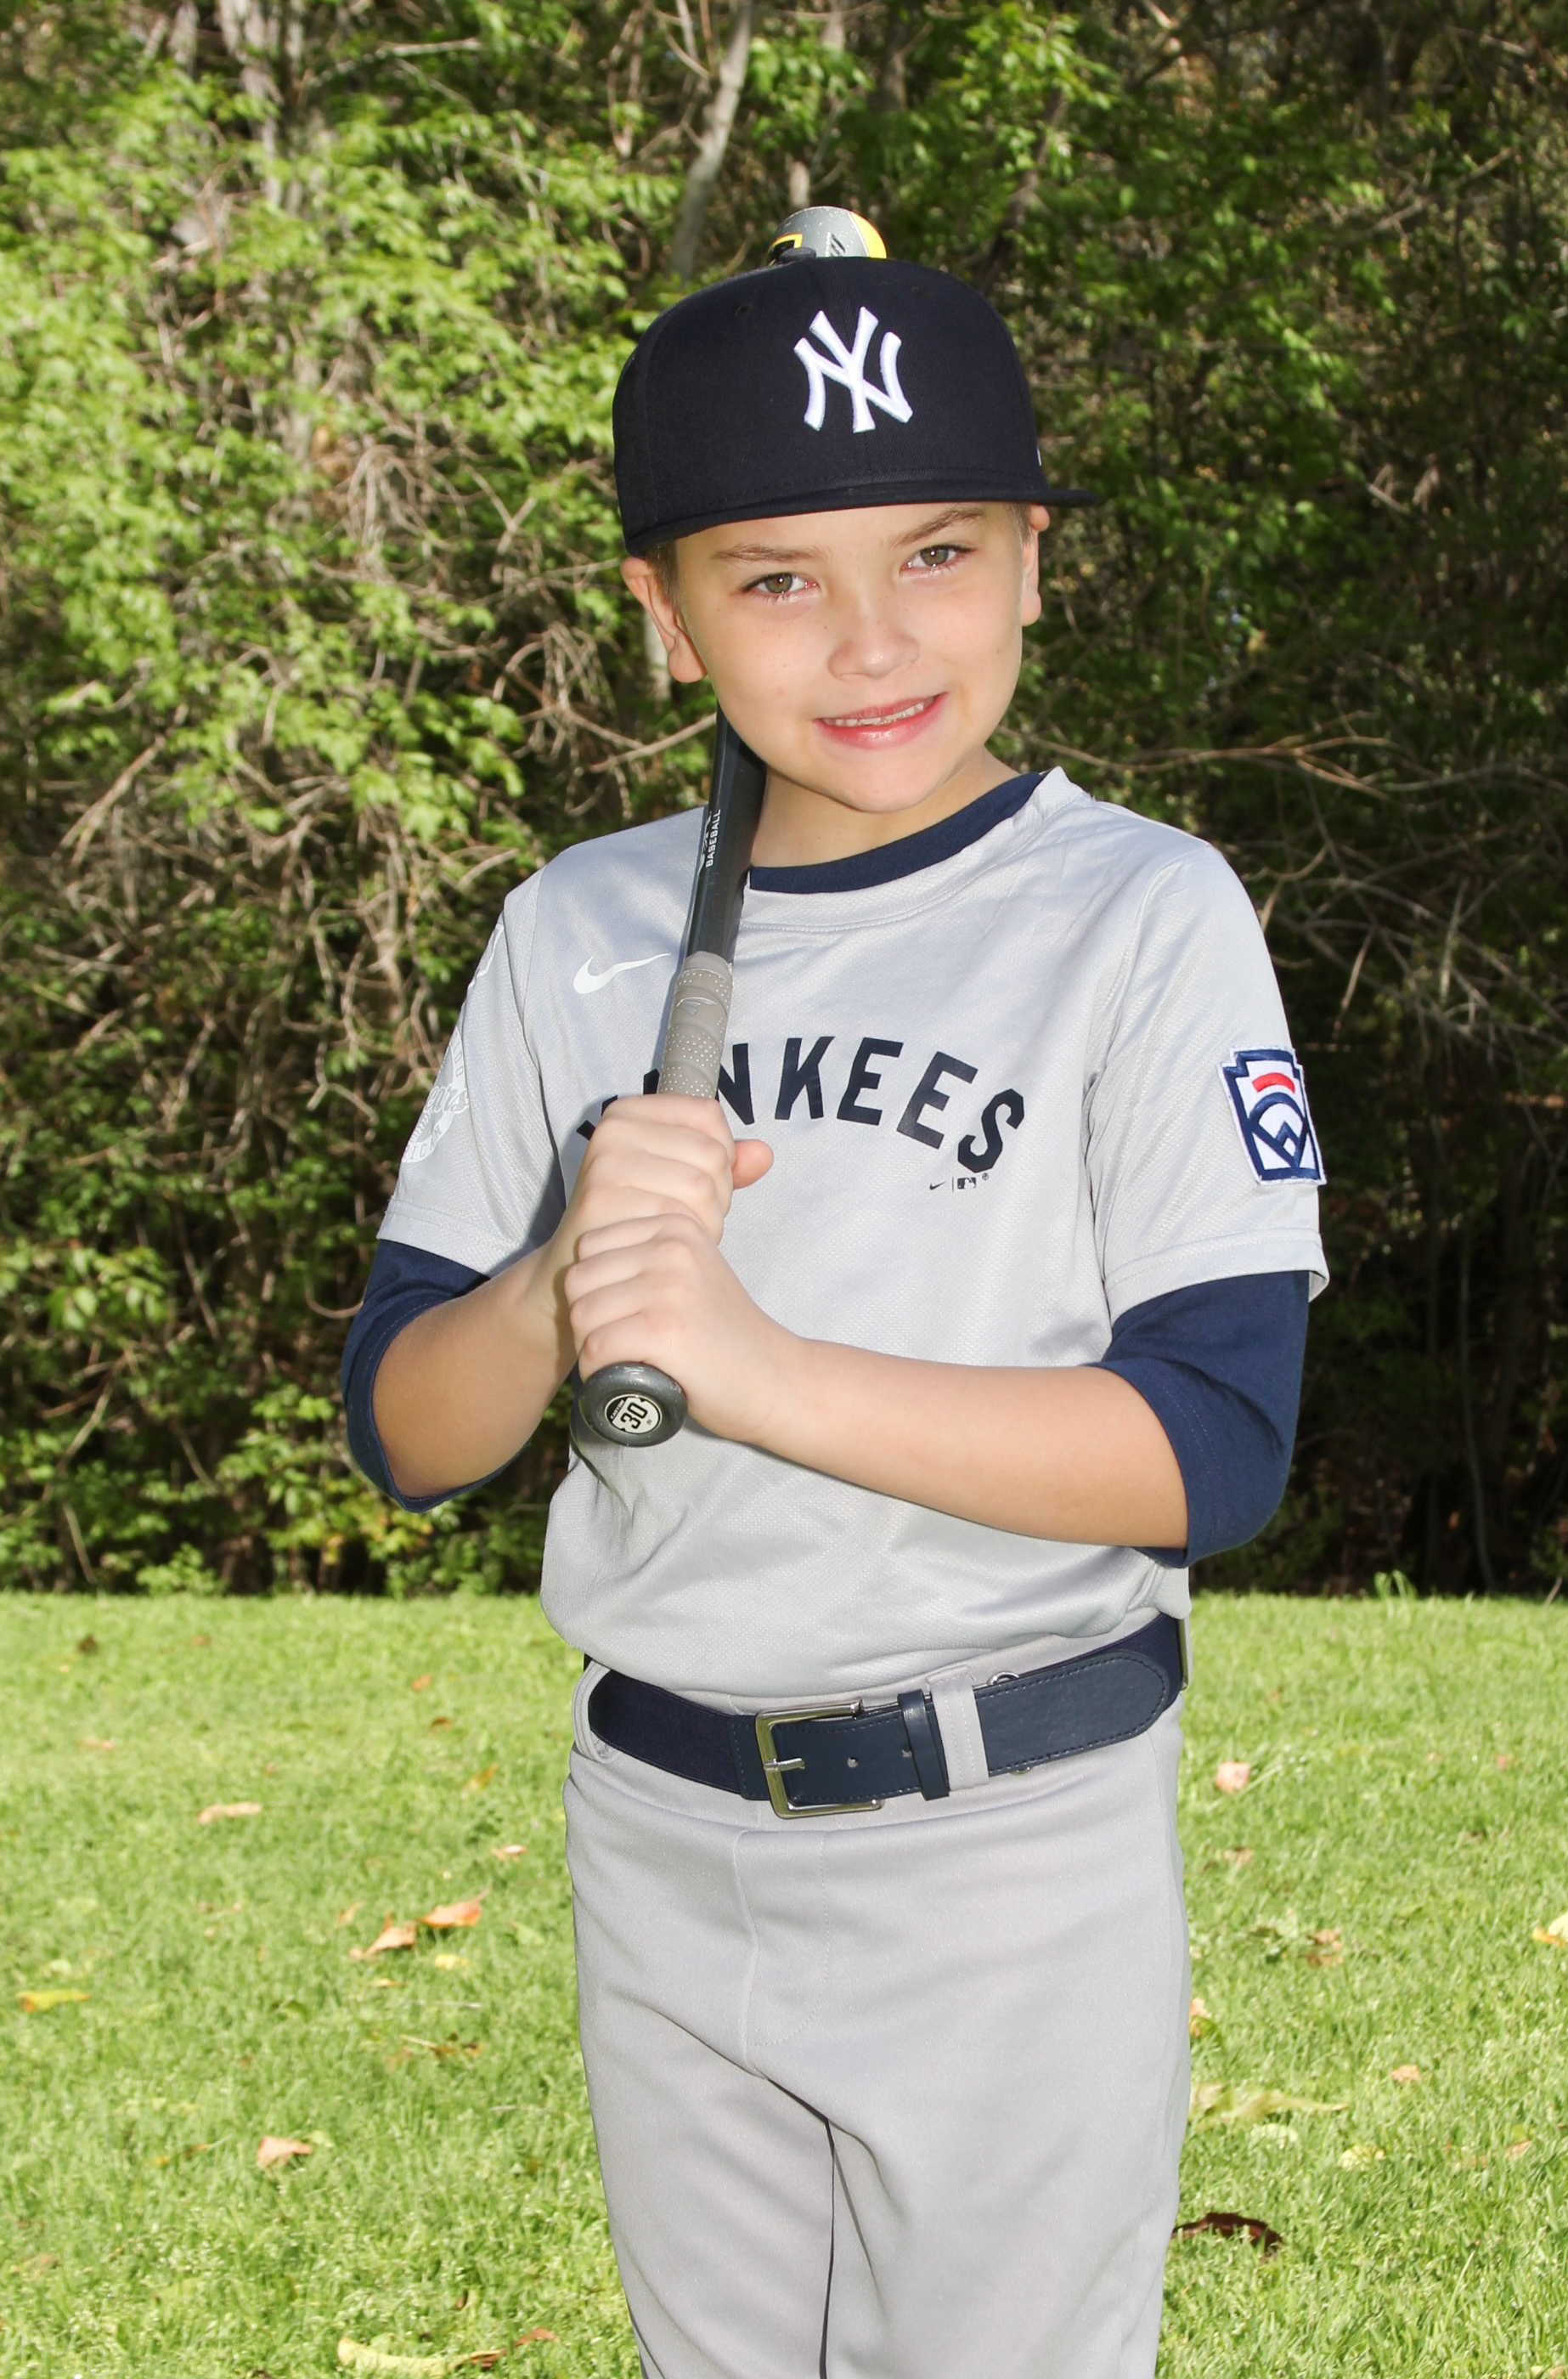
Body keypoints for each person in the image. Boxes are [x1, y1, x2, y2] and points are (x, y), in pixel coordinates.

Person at [342, 240, 1327, 2379]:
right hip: (660, 1820)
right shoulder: (580, 927)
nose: (873, 640)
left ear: (1033, 559)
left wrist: (755, 1366)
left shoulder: (1138, 914)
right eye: (776, 577)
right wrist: (556, 1280)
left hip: (1007, 1833)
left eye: (937, 553)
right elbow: (407, 1429)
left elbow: (1213, 1446)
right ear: (662, 610)